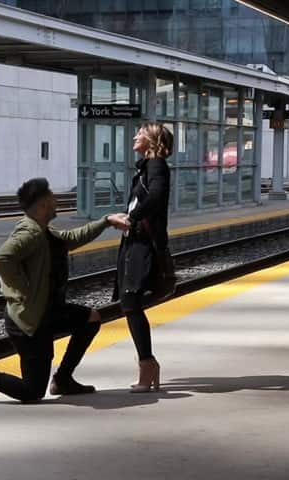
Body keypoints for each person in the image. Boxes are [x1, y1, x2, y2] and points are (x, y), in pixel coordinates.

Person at [0, 178, 130, 404]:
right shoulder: (31, 233)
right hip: (30, 321)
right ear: (43, 204)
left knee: (91, 319)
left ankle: (63, 379)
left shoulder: (45, 231)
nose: (56, 201)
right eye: (53, 198)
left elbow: (72, 238)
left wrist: (106, 221)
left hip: (48, 312)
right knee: (32, 391)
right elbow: (2, 258)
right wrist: (21, 290)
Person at [114, 122, 173, 393]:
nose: (135, 136)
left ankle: (147, 365)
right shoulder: (146, 167)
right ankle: (148, 365)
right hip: (136, 242)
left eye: (140, 133)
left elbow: (158, 198)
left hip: (142, 244)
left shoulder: (156, 165)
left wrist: (131, 217)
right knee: (130, 302)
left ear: (152, 141)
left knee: (131, 301)